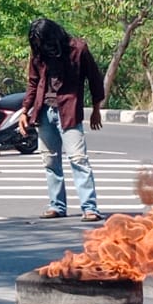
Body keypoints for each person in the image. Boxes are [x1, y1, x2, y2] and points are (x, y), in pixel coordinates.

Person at [16, 18, 106, 222]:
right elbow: (33, 82)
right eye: (36, 42)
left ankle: (89, 207)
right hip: (44, 111)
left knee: (78, 159)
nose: (39, 45)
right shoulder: (38, 53)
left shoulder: (78, 50)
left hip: (69, 110)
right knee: (49, 160)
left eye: (42, 41)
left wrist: (96, 109)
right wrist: (24, 110)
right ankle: (57, 205)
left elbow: (94, 78)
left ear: (53, 37)